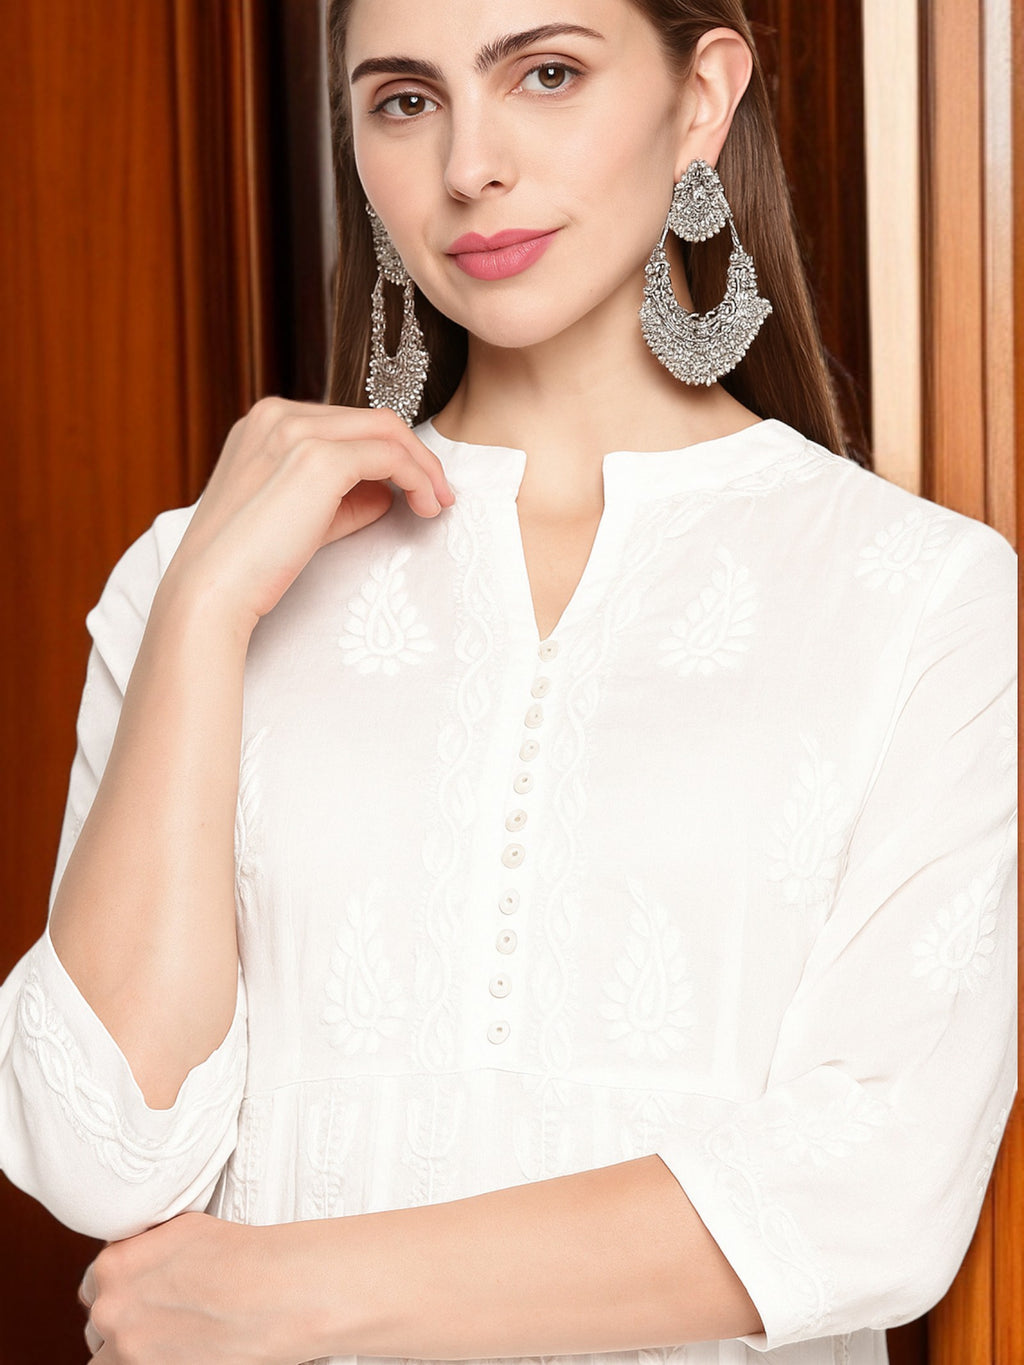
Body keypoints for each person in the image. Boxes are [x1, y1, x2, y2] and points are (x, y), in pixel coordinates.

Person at [0, 0, 1015, 1361]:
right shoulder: (198, 575)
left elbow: (875, 1185)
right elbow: (100, 1151)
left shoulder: (923, 594)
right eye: (405, 100)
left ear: (702, 97)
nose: (470, 164)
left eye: (544, 73)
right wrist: (202, 611)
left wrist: (289, 1292)